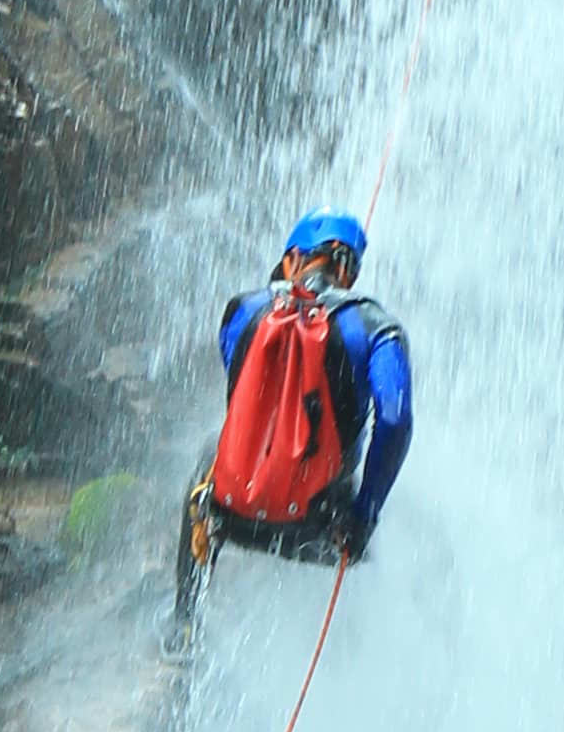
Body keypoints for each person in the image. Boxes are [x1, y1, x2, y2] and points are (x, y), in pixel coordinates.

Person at [165, 211, 412, 654]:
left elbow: (246, 392)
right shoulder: (375, 327)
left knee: (207, 463)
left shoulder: (241, 312)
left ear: (292, 259)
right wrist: (365, 515)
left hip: (232, 515)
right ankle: (371, 658)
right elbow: (394, 418)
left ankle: (185, 623)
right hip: (321, 529)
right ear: (349, 272)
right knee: (406, 538)